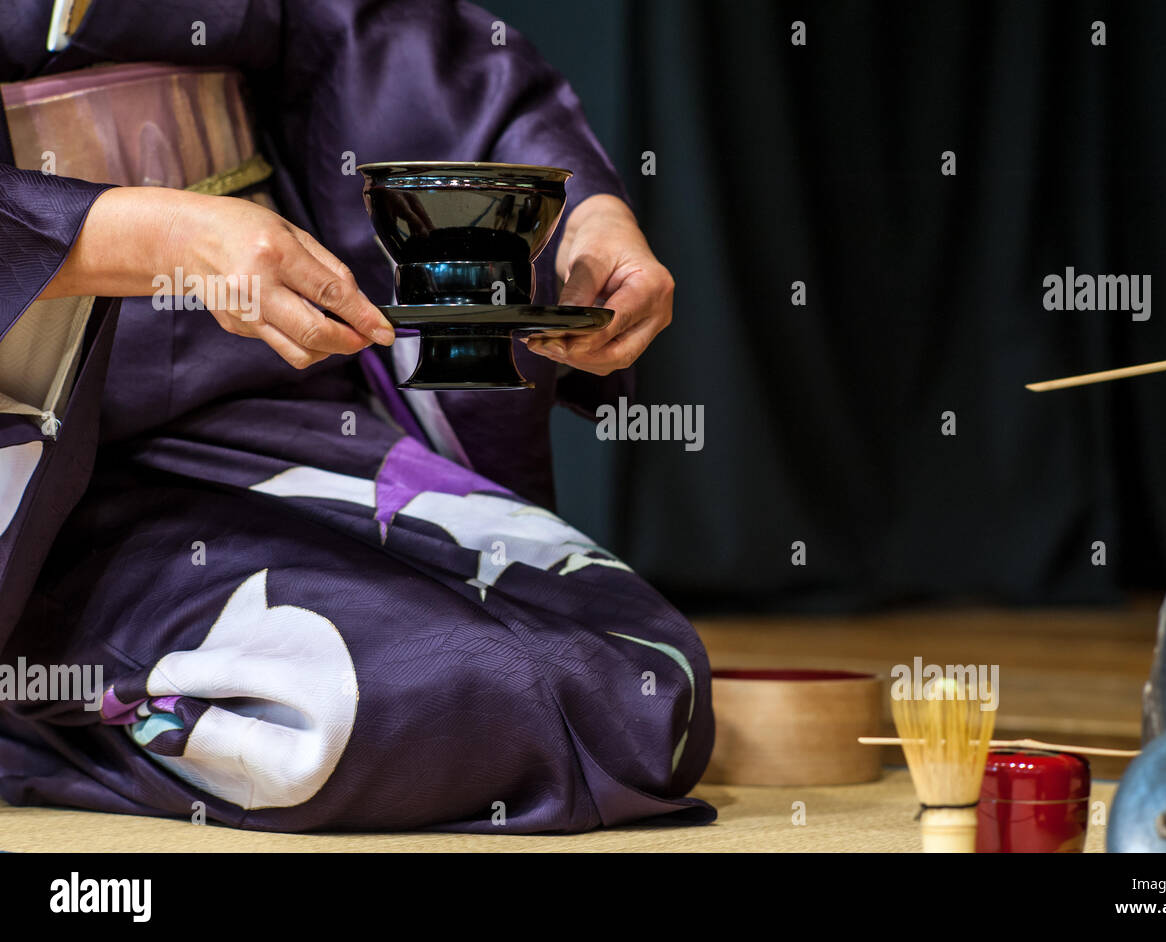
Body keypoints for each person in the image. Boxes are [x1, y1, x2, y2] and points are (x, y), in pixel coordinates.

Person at [0, 0, 714, 833]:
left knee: (643, 672)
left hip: (253, 383)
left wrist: (580, 215)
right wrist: (138, 235)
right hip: (37, 438)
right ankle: (29, 705)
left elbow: (394, 45)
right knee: (371, 704)